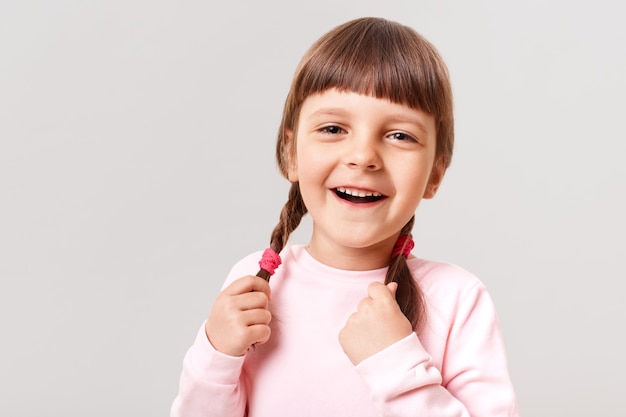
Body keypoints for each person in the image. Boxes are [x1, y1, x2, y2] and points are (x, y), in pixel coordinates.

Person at [171, 17, 519, 417]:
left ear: (435, 173)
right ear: (291, 153)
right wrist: (214, 355)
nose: (363, 157)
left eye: (400, 135)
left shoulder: (457, 299)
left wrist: (395, 363)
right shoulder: (255, 285)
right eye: (334, 128)